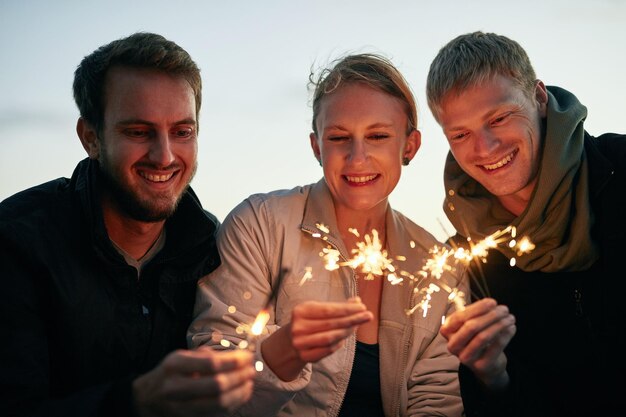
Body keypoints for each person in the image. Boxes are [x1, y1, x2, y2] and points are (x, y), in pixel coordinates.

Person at [188, 53, 465, 417]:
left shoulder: (438, 267)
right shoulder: (259, 226)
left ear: (410, 146)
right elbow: (212, 378)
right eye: (339, 137)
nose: (357, 157)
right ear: (317, 146)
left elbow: (437, 399)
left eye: (378, 135)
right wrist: (279, 356)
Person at [0, 32, 255, 417]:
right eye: (139, 132)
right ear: (91, 138)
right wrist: (135, 401)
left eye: (182, 132)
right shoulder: (17, 241)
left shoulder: (211, 244)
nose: (165, 156)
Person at [426, 31, 626, 417]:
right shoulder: (462, 266)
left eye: (498, 118)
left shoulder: (619, 171)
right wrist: (492, 377)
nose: (484, 148)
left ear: (538, 97)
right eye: (461, 134)